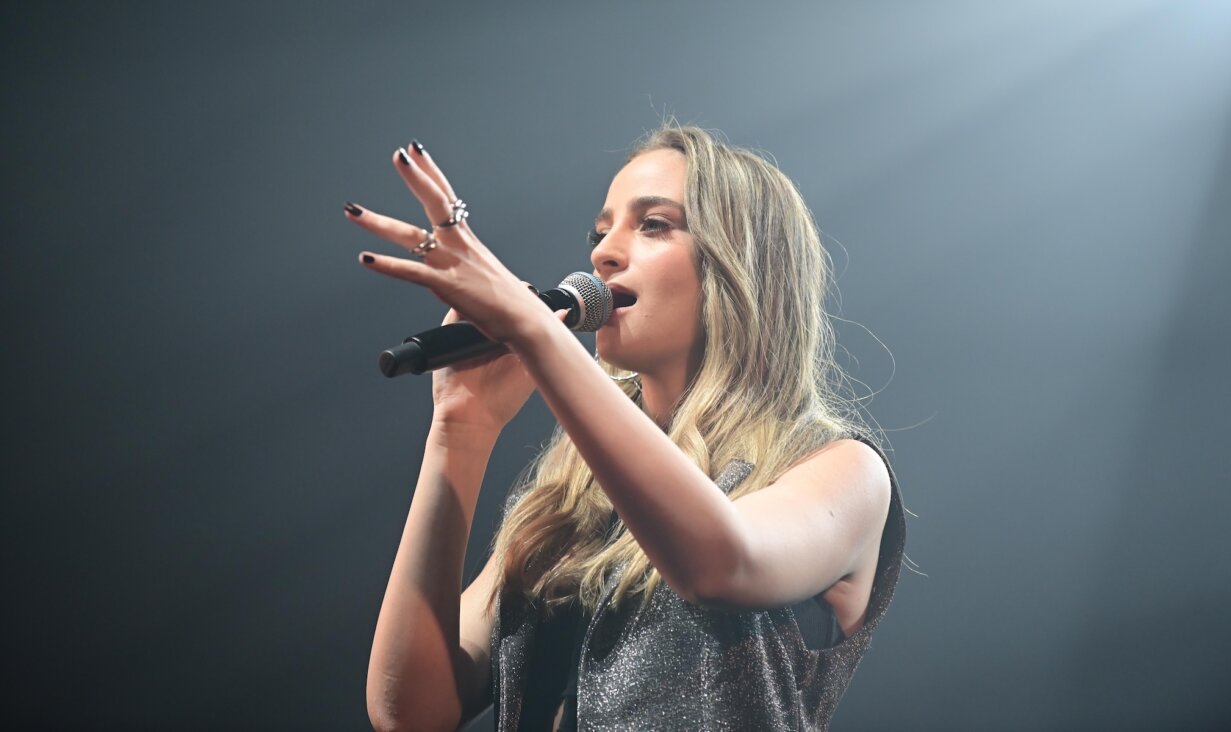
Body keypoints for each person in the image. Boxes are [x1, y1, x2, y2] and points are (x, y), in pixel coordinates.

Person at [349, 126, 906, 732]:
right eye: (601, 230)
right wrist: (461, 428)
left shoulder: (842, 470)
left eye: (654, 224)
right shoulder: (567, 500)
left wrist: (535, 331)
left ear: (741, 261)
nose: (603, 253)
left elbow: (722, 563)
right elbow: (409, 712)